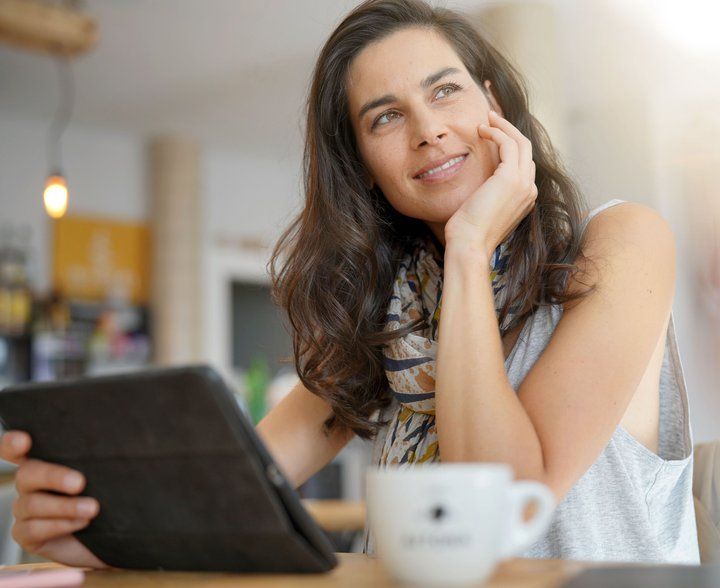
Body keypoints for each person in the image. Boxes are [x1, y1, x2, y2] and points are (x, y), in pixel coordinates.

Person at [0, 0, 699, 567]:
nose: (428, 131)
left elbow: (510, 499)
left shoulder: (623, 241)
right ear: (363, 165)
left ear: (495, 106)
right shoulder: (392, 311)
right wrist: (95, 527)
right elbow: (228, 493)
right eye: (386, 116)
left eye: (445, 91)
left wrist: (467, 245)